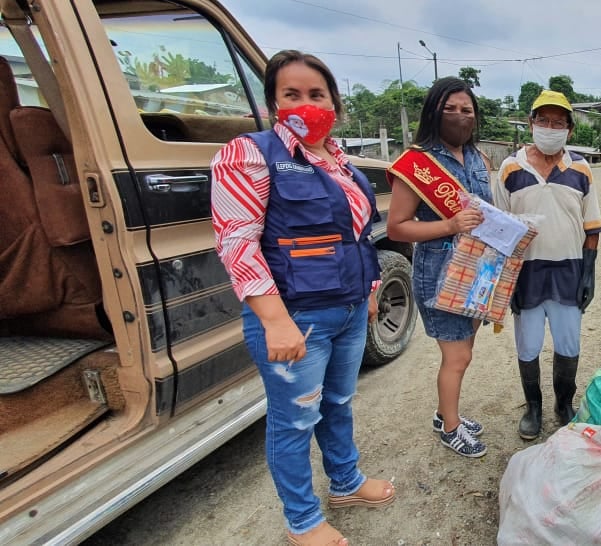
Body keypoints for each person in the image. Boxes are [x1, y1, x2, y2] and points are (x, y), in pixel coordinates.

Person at [211, 50, 394, 546]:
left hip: (349, 310)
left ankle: (346, 483)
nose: (306, 104)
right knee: (294, 420)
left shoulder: (342, 163)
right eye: (292, 94)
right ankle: (302, 520)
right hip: (297, 317)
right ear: (274, 102)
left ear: (334, 102)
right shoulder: (249, 154)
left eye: (317, 94)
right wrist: (274, 320)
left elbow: (356, 237)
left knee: (338, 402)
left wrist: (369, 292)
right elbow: (237, 243)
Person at [386, 77, 492, 458]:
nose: (460, 116)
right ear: (433, 112)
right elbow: (397, 227)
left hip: (477, 273)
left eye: (467, 110)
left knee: (466, 349)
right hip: (439, 273)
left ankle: (445, 413)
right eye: (450, 109)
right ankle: (450, 428)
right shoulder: (417, 164)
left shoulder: (479, 158)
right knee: (457, 356)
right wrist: (450, 225)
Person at [492, 90, 601, 441]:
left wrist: (588, 274)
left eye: (558, 123)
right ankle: (534, 407)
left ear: (570, 129)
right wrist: (505, 281)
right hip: (526, 273)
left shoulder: (581, 168)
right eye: (544, 121)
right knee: (528, 345)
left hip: (569, 270)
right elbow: (498, 230)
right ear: (531, 123)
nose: (550, 128)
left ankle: (563, 404)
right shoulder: (511, 168)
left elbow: (592, 228)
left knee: (568, 344)